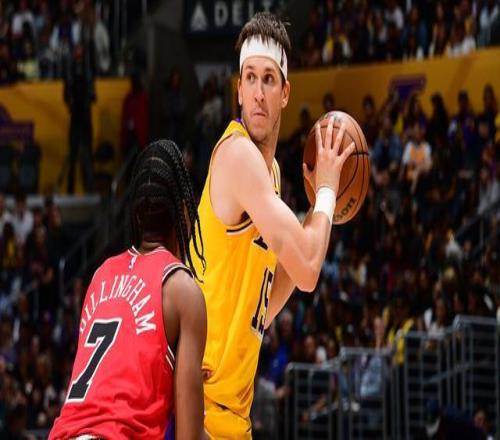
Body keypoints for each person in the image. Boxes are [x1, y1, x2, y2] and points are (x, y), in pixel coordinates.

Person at [191, 12, 354, 438]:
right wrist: (327, 191)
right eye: (250, 78)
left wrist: (313, 215)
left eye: (268, 79)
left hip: (230, 415)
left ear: (285, 92)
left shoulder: (273, 175)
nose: (259, 92)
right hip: (196, 407)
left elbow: (266, 304)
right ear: (238, 91)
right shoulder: (237, 155)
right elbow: (310, 270)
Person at [50, 140, 207, 439]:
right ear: (185, 213)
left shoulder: (100, 276)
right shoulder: (181, 290)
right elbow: (190, 436)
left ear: (135, 215)